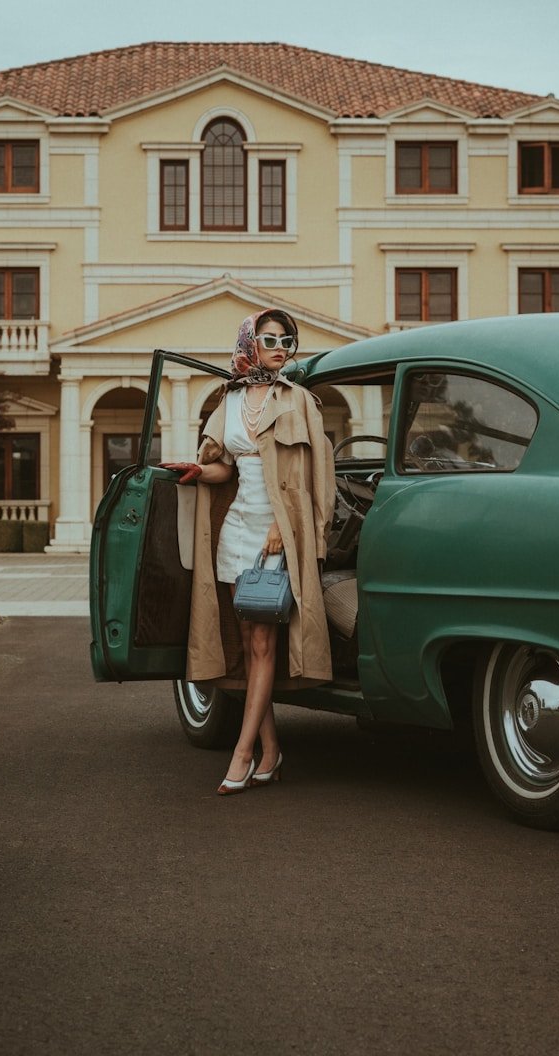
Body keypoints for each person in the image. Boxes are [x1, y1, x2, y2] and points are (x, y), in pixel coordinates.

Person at [162, 309, 335, 795]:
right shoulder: (230, 400)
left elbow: (317, 478)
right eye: (270, 338)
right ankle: (272, 749)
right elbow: (226, 469)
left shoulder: (301, 401)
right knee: (245, 641)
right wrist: (198, 471)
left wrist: (294, 529)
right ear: (250, 343)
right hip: (236, 528)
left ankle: (243, 754)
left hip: (277, 532)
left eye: (287, 340)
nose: (280, 347)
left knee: (263, 644)